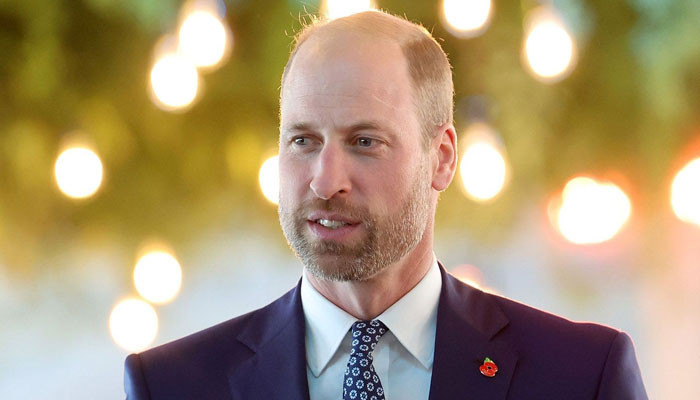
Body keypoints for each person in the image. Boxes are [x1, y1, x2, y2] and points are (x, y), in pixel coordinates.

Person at [124, 10, 647, 400]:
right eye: (303, 141)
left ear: (442, 158)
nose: (326, 182)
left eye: (364, 142)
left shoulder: (581, 376)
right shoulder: (170, 387)